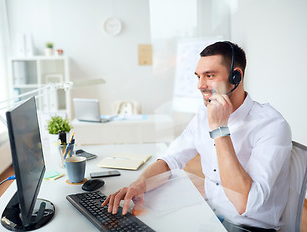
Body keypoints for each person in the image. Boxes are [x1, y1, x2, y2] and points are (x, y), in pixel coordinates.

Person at [102, 41, 292, 232]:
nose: (200, 86)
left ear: (236, 76)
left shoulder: (271, 125)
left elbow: (244, 203)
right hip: (210, 217)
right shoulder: (203, 115)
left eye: (210, 76)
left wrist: (219, 129)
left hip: (248, 228)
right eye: (198, 77)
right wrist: (138, 184)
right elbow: (171, 160)